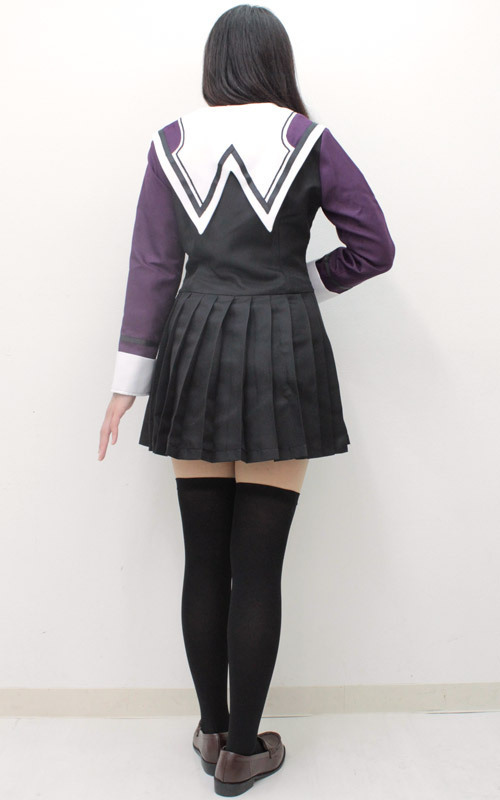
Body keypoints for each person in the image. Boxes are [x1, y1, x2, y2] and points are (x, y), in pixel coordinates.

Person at [98, 4, 395, 795]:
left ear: (215, 63)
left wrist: (126, 386)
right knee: (257, 569)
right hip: (280, 351)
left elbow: (153, 267)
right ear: (276, 61)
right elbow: (374, 247)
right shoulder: (308, 139)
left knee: (205, 560)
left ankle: (208, 730)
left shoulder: (171, 142)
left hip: (194, 347)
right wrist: (304, 284)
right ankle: (241, 750)